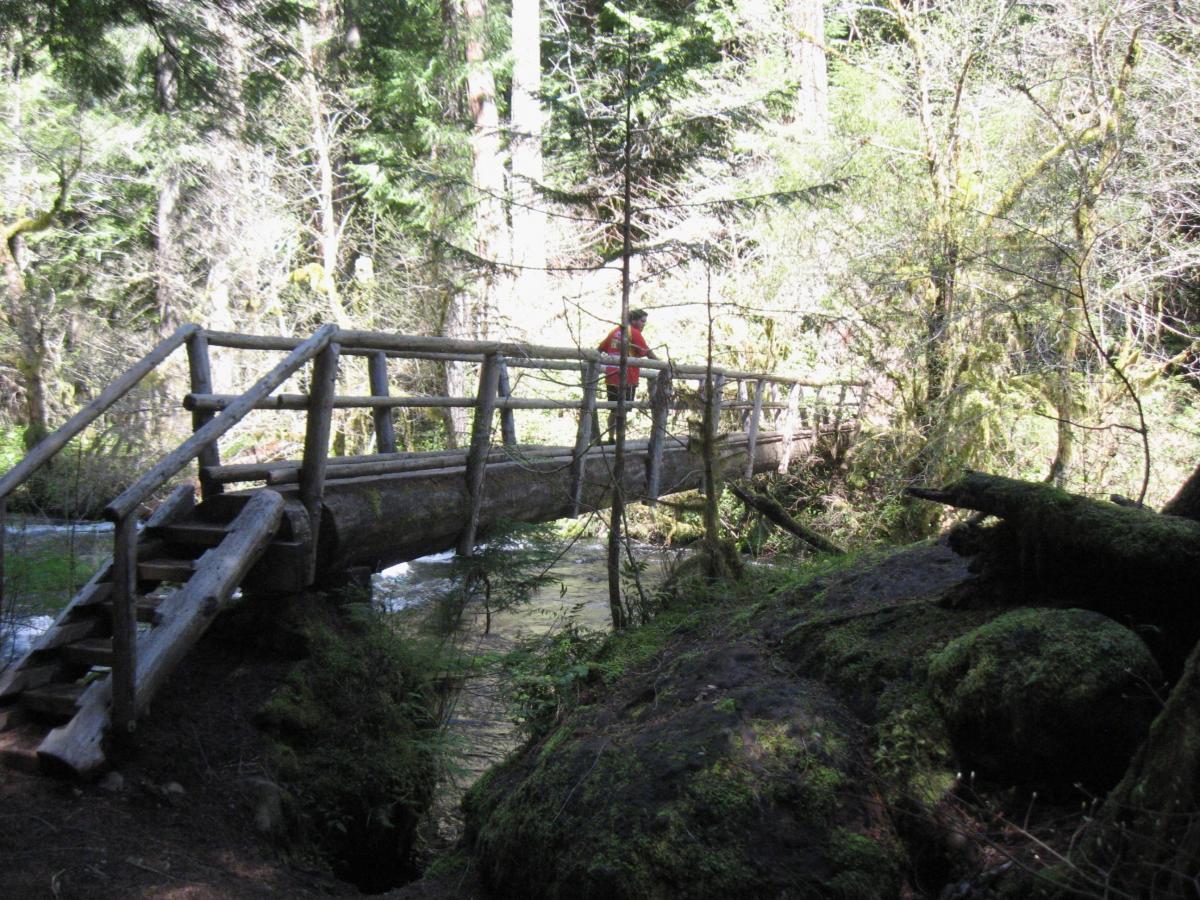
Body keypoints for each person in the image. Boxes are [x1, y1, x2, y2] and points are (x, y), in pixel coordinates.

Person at [598, 309, 658, 437]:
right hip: (628, 376)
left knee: (614, 409)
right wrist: (661, 364)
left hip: (611, 375)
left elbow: (600, 348)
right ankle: (621, 438)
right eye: (642, 321)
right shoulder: (633, 333)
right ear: (634, 320)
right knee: (623, 409)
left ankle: (611, 437)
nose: (644, 324)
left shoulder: (614, 332)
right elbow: (646, 352)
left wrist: (593, 364)